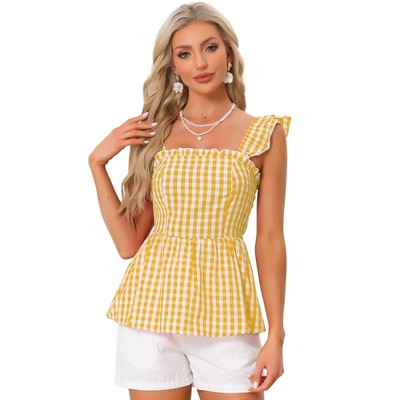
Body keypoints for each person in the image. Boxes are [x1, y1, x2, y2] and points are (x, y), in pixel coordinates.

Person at [89, 2, 291, 399]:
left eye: (210, 47)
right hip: (149, 311)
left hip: (227, 313)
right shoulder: (152, 133)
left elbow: (270, 239)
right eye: (185, 53)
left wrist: (276, 334)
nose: (200, 62)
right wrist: (97, 163)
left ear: (228, 53)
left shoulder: (266, 134)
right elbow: (128, 244)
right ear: (173, 66)